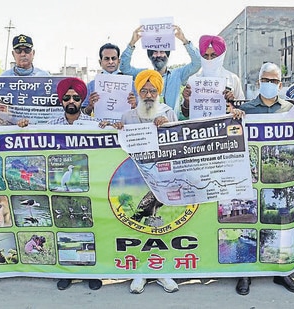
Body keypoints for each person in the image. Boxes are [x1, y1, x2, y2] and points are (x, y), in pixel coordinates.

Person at [17, 77, 102, 290]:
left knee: (89, 227)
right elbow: (33, 139)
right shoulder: (51, 125)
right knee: (64, 228)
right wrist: (24, 127)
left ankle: (92, 271)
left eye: (75, 97)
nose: (71, 101)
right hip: (59, 191)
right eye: (66, 98)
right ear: (61, 101)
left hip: (89, 188)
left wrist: (115, 127)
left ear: (81, 100)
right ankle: (67, 271)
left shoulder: (93, 125)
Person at [229, 62, 294, 296]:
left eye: (274, 81)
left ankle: (282, 273)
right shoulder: (247, 109)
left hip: (280, 179)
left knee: (280, 224)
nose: (269, 84)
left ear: (280, 84)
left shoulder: (291, 109)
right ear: (259, 82)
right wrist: (235, 118)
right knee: (248, 224)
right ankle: (245, 274)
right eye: (265, 80)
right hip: (251, 177)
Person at [112, 70, 178, 294]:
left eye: (153, 90)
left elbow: (178, 143)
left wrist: (166, 126)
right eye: (144, 90)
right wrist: (117, 132)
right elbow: (119, 150)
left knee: (161, 230)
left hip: (163, 175)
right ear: (137, 92)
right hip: (138, 177)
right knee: (140, 231)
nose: (148, 94)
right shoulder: (128, 117)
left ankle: (163, 273)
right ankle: (139, 273)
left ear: (159, 92)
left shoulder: (169, 113)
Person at [119, 24, 201, 111]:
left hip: (171, 122)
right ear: (150, 56)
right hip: (147, 123)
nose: (158, 55)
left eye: (162, 52)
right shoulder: (143, 75)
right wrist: (132, 43)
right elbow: (124, 68)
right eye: (155, 52)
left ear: (167, 55)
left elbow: (197, 63)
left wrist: (184, 40)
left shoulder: (178, 74)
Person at [178, 34, 245, 120]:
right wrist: (187, 100)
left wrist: (233, 102)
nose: (209, 59)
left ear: (221, 56)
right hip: (201, 130)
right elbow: (186, 113)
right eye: (205, 56)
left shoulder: (232, 79)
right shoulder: (194, 80)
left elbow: (243, 109)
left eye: (213, 55)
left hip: (226, 129)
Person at [80, 43, 137, 117]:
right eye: (106, 59)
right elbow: (82, 113)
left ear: (119, 61)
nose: (110, 62)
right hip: (100, 126)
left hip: (124, 126)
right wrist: (90, 106)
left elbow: (141, 112)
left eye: (114, 58)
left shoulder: (131, 84)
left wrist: (134, 106)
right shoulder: (92, 85)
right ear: (100, 62)